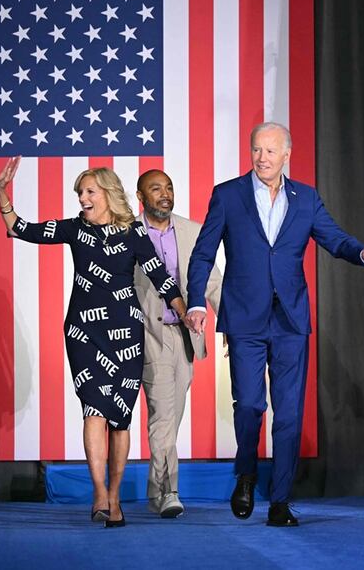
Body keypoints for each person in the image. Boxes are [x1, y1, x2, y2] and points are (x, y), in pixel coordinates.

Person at [184, 122, 364, 527]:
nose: (262, 158)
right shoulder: (228, 195)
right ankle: (245, 474)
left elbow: (334, 238)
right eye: (256, 150)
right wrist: (197, 303)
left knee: (291, 413)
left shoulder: (306, 199)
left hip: (291, 319)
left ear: (287, 155)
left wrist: (362, 253)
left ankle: (280, 500)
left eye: (270, 151)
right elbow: (203, 254)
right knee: (251, 406)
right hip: (244, 317)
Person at [0, 157, 186, 528]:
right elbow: (22, 229)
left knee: (120, 420)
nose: (82, 198)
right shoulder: (74, 229)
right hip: (83, 333)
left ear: (108, 194)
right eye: (80, 192)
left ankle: (115, 498)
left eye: (88, 191)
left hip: (127, 334)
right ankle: (99, 492)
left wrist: (186, 313)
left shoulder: (133, 233)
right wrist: (2, 193)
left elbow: (161, 279)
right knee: (94, 411)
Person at [134, 169, 222, 518]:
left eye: (168, 187)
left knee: (171, 416)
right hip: (148, 336)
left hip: (185, 337)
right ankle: (170, 491)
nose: (165, 194)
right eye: (156, 189)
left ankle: (157, 493)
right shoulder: (128, 233)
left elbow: (212, 283)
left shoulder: (192, 231)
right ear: (141, 196)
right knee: (162, 416)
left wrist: (230, 323)